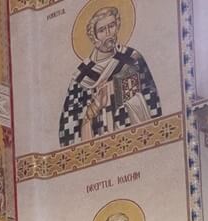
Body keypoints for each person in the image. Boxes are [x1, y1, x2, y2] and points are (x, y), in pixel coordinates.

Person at [59, 5, 160, 146]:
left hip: (133, 141)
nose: (108, 33)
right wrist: (94, 107)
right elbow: (68, 128)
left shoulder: (132, 59)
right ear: (93, 36)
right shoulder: (81, 76)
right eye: (101, 30)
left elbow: (152, 102)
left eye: (111, 26)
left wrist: (126, 97)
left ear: (117, 26)